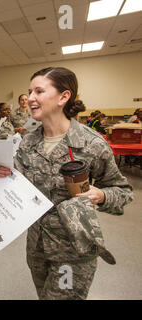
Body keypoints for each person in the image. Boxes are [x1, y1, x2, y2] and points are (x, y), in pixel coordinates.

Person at [14, 66, 133, 300]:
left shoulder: (91, 143)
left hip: (73, 251)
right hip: (37, 247)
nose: (30, 98)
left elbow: (123, 191)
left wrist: (102, 196)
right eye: (29, 92)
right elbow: (18, 186)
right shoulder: (27, 143)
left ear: (63, 97)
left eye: (39, 91)